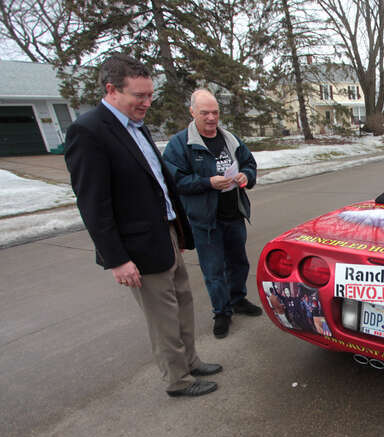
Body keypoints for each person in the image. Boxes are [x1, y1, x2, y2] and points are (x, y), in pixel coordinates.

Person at [64, 54, 222, 398]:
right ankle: (178, 380)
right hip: (136, 246)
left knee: (182, 302)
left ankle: (191, 361)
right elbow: (93, 204)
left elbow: (158, 183)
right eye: (140, 96)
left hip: (165, 234)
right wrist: (116, 259)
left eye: (150, 95)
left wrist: (178, 231)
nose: (147, 103)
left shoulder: (136, 126)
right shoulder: (89, 132)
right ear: (111, 90)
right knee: (163, 316)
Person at [163, 89, 261, 339]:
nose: (211, 118)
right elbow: (175, 181)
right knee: (214, 270)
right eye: (205, 112)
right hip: (206, 221)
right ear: (192, 112)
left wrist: (245, 176)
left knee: (239, 263)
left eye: (215, 112)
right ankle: (222, 312)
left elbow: (250, 164)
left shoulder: (231, 139)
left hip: (233, 215)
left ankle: (238, 300)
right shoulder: (180, 144)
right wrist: (207, 182)